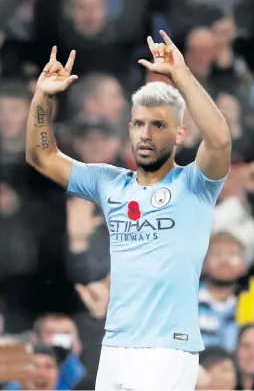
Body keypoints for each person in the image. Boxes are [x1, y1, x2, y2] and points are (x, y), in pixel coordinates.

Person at [25, 30, 231, 390]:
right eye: (138, 123)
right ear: (129, 129)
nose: (146, 134)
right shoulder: (109, 183)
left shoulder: (195, 185)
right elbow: (40, 157)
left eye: (158, 125)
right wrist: (43, 96)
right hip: (115, 345)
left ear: (180, 134)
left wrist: (180, 75)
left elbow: (219, 140)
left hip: (168, 348)